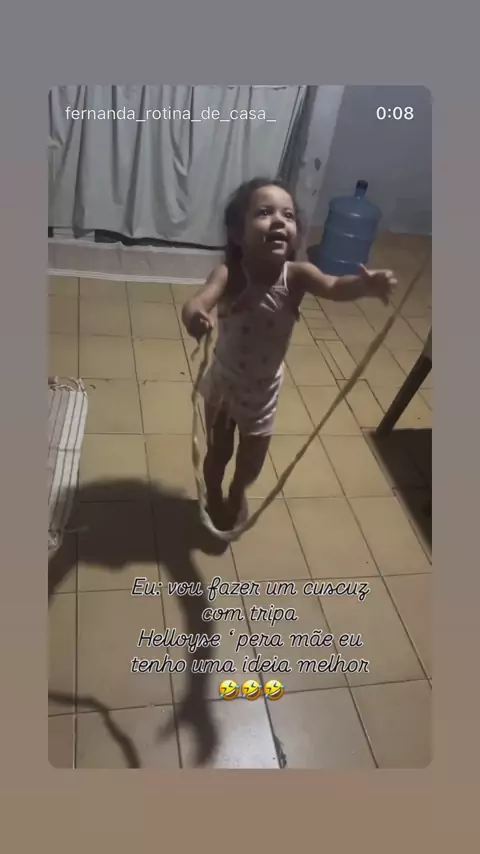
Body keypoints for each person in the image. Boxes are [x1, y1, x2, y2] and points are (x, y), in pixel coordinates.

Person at [181, 177, 396, 530]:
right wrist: (195, 317)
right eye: (264, 213)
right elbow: (197, 302)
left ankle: (237, 490)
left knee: (252, 462)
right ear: (237, 233)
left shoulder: (297, 276)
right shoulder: (229, 274)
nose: (280, 221)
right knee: (218, 452)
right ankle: (214, 490)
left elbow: (334, 286)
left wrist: (364, 285)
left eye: (289, 215)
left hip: (263, 393)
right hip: (224, 386)